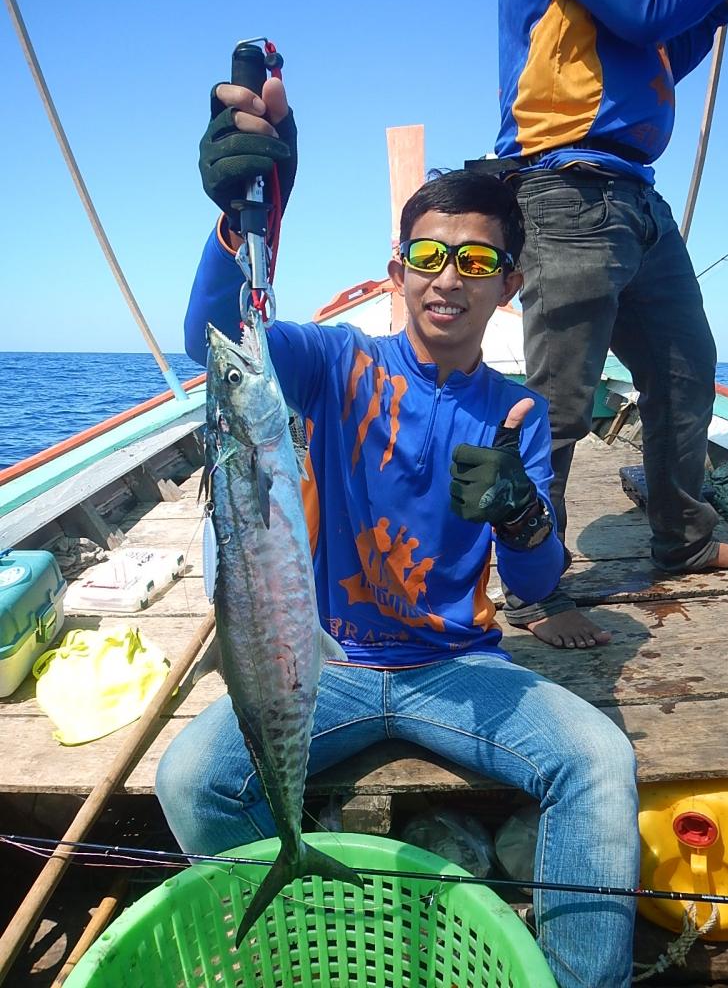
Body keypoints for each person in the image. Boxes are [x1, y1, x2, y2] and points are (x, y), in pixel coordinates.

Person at [156, 78, 640, 987]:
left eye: (475, 260)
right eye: (428, 253)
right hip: (325, 661)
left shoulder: (517, 414)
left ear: (512, 284)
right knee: (189, 781)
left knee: (601, 764)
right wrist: (236, 224)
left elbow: (535, 586)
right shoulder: (336, 363)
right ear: (396, 271)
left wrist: (522, 513)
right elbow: (216, 338)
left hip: (460, 670)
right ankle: (308, 936)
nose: (447, 276)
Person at [489, 0, 728, 651]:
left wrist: (717, 8)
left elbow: (659, 49)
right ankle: (533, 589)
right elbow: (648, 13)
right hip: (564, 185)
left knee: (688, 372)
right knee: (561, 405)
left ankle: (684, 540)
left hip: (634, 192)